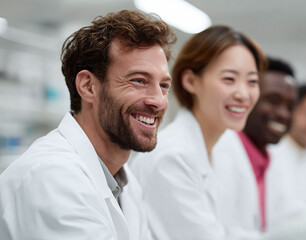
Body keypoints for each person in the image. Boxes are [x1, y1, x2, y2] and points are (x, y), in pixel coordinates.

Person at [0, 10, 176, 240]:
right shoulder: (52, 177)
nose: (158, 100)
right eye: (139, 80)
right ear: (88, 87)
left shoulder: (124, 182)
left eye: (163, 85)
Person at [130, 25, 267, 240]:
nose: (243, 94)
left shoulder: (228, 144)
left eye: (252, 82)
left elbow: (245, 226)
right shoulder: (171, 157)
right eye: (229, 79)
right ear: (191, 81)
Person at [213, 57, 298, 232]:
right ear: (247, 98)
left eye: (290, 106)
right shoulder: (219, 153)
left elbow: (288, 217)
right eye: (273, 101)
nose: (283, 114)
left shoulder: (269, 161)